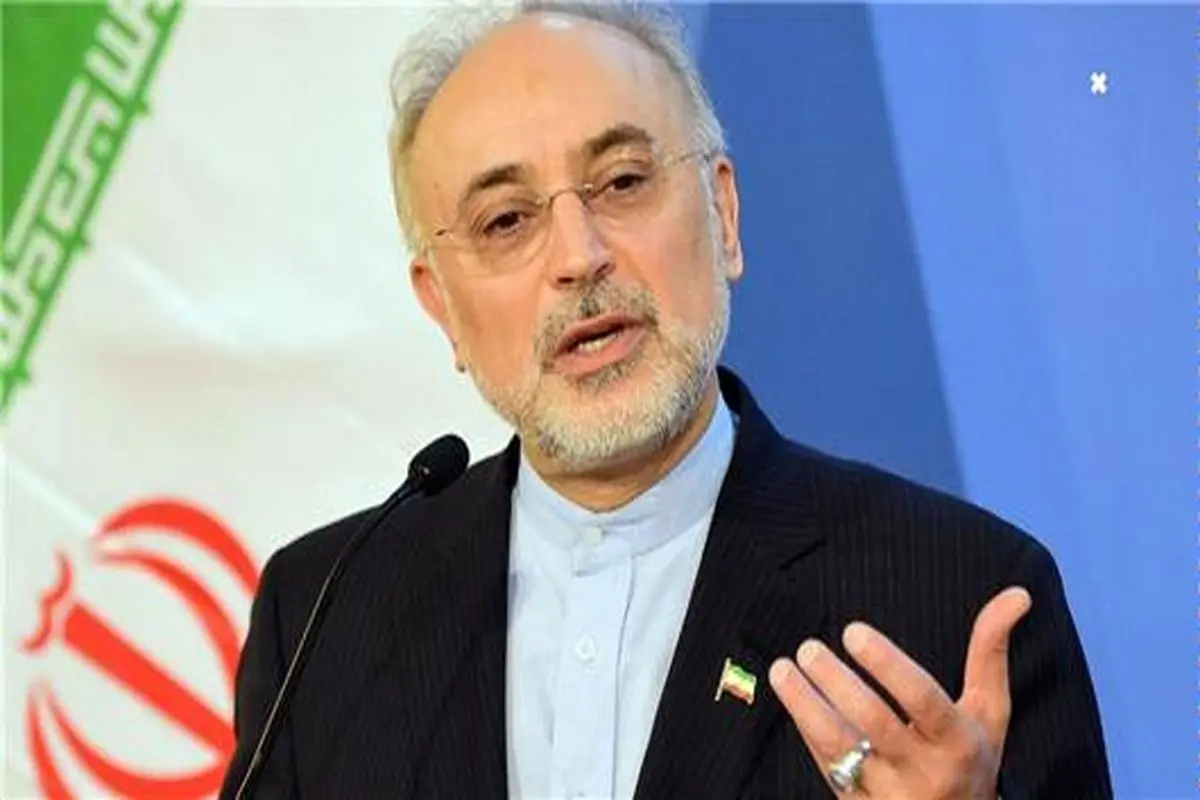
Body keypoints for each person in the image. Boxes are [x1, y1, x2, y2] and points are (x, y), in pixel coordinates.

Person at [220, 2, 1112, 798]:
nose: (580, 255)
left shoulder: (957, 600)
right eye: (506, 221)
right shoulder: (325, 617)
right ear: (442, 306)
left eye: (622, 182)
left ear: (723, 215)